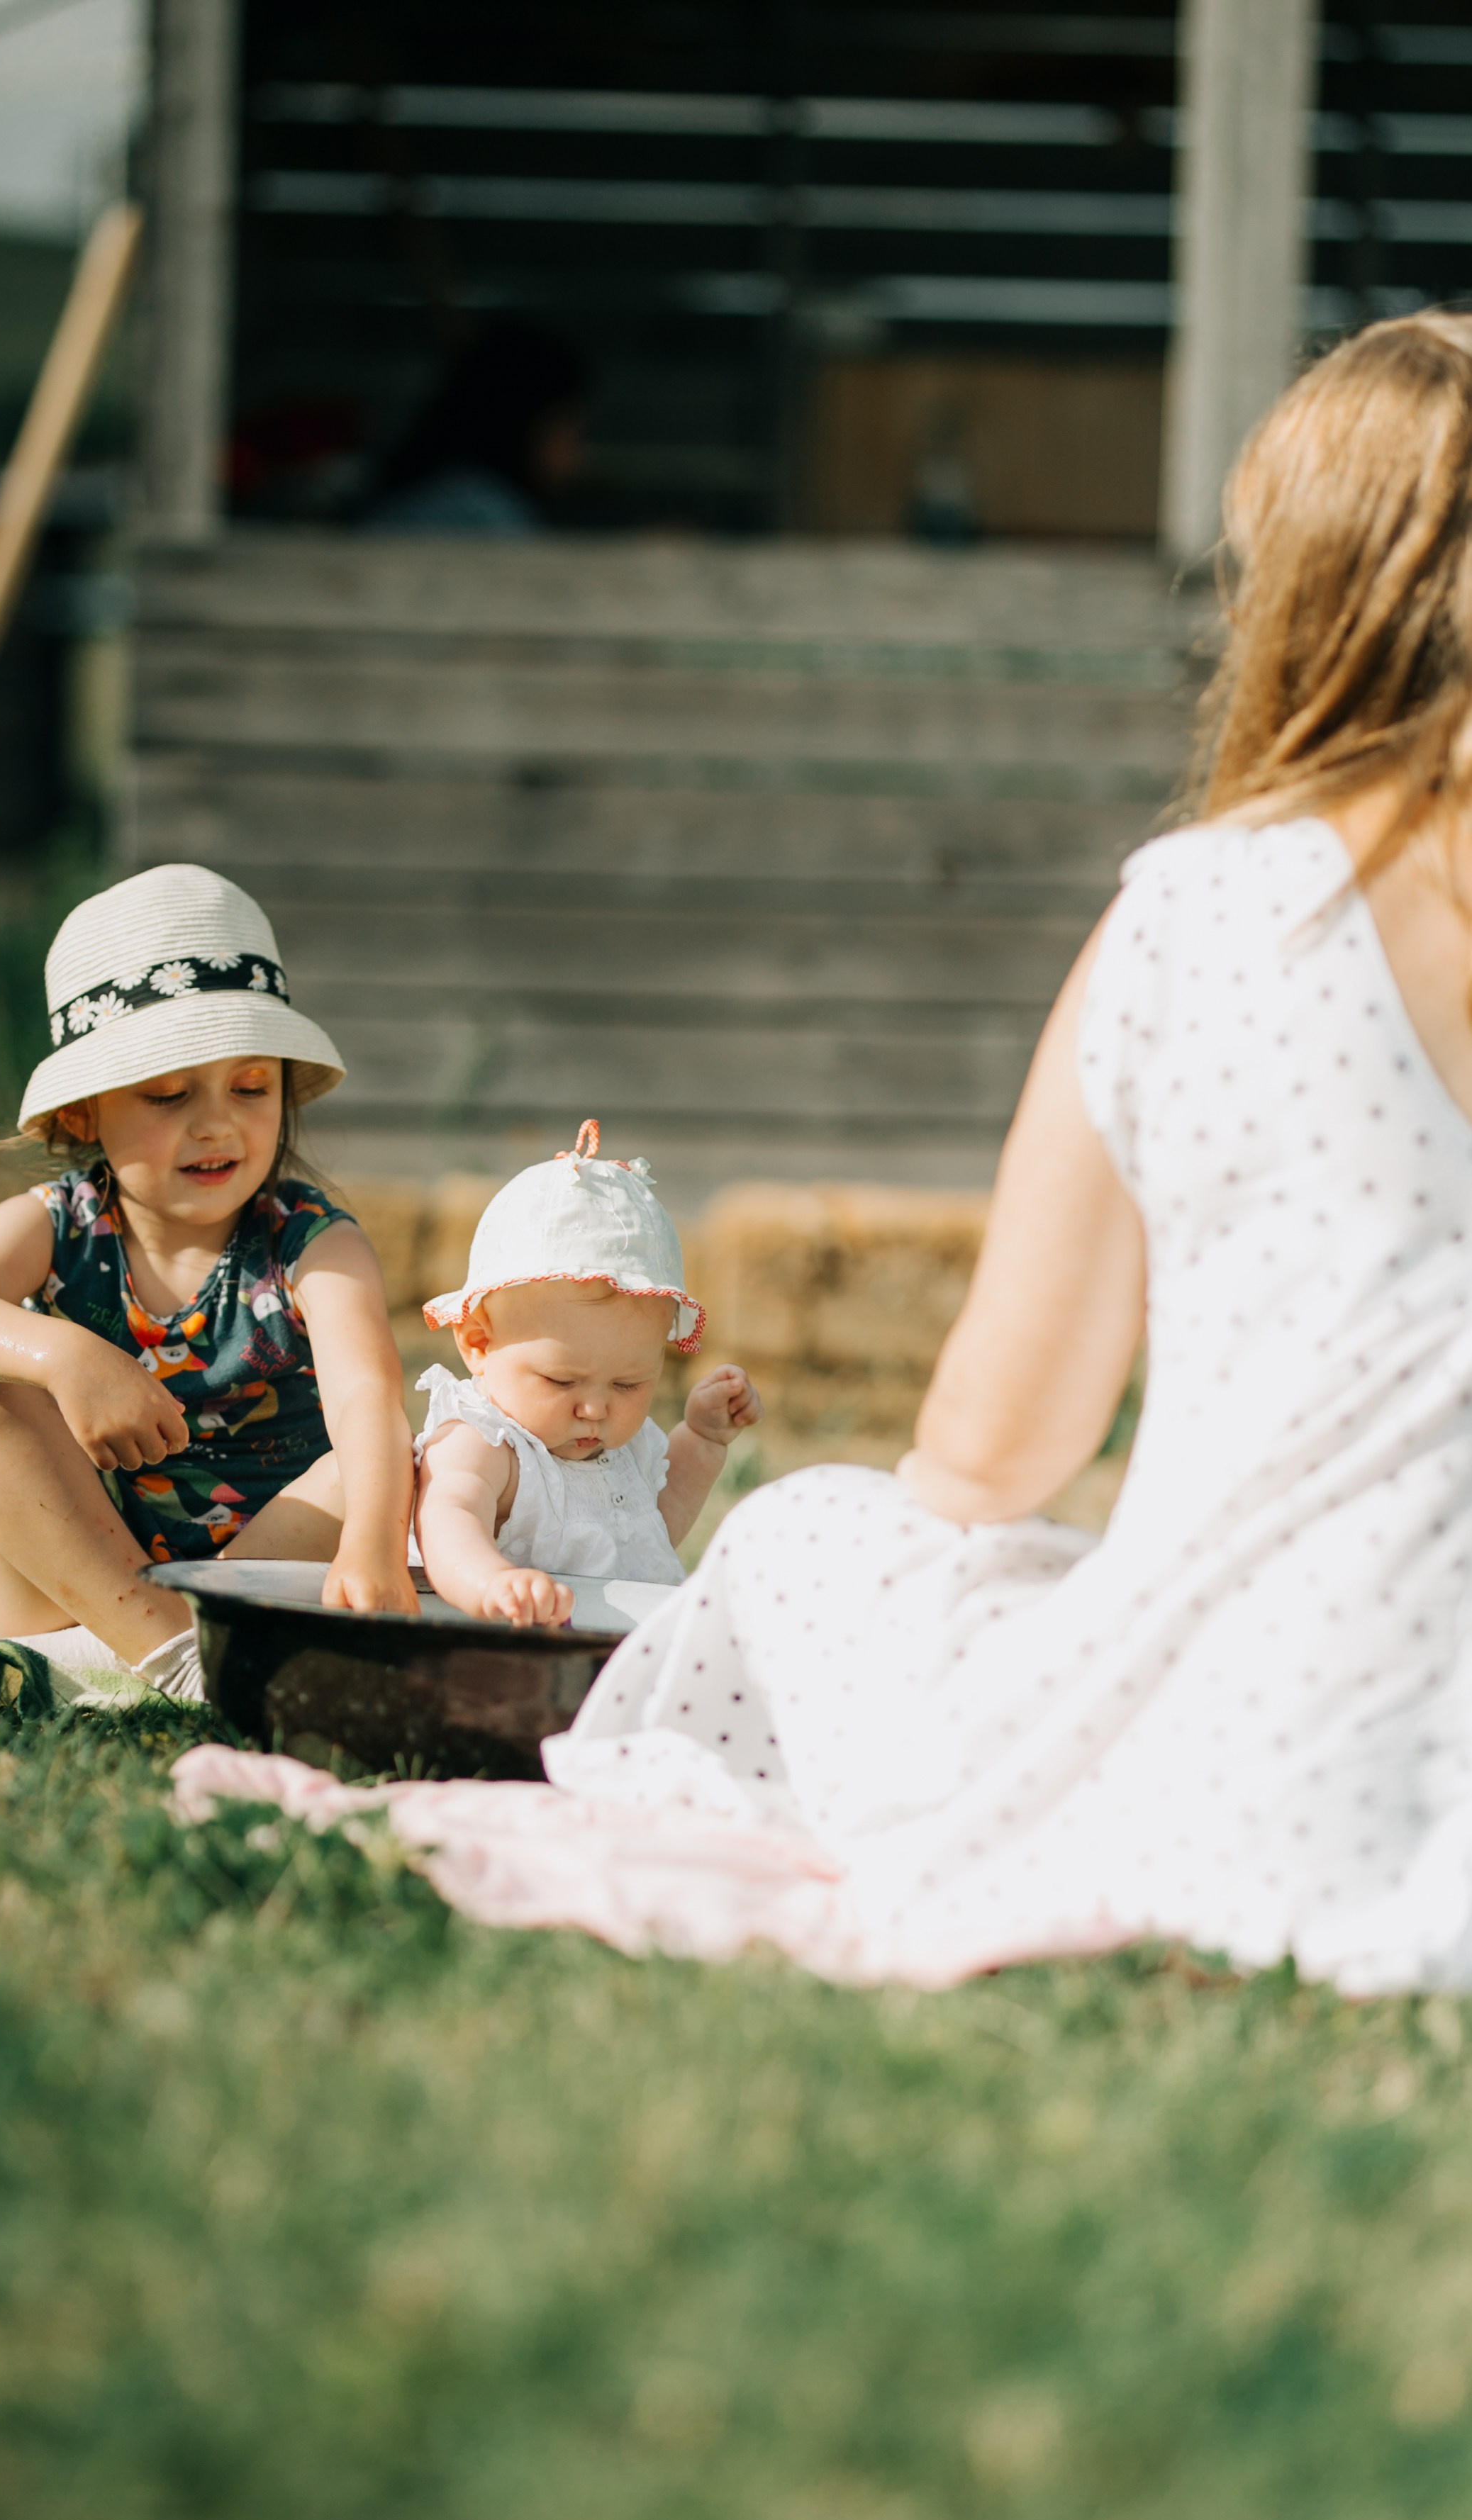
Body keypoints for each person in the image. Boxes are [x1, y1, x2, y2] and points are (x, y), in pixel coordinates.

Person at [184, 310, 1472, 1996]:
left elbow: (997, 1449)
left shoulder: (1204, 918)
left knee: (819, 1538)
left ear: (1297, 595)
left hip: (1287, 1764)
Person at [0, 865, 417, 1699]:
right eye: (167, 1093)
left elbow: (367, 1398)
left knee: (387, 1458)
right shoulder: (54, 1225)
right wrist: (62, 1355)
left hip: (258, 1576)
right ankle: (172, 1658)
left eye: (250, 1086)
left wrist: (370, 1544)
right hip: (81, 1583)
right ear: (83, 1114)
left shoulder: (312, 1245)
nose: (216, 1121)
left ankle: (152, 1663)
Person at [412, 1123, 762, 1623]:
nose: (595, 1408)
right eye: (561, 1381)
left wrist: (705, 1439)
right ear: (478, 1343)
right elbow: (448, 1517)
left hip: (614, 1664)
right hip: (508, 1658)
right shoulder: (487, 1443)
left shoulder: (624, 1448)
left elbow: (653, 1532)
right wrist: (490, 1582)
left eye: (628, 1384)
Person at [359, 318, 587, 535]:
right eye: (573, 430)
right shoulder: (487, 513)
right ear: (530, 425)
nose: (577, 453)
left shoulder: (433, 490)